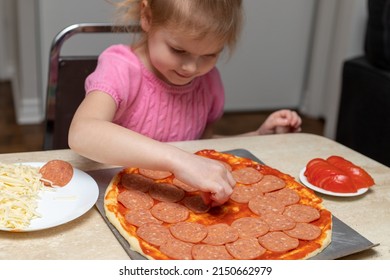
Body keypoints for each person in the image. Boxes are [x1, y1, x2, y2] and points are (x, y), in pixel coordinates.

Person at [68, 0, 302, 206]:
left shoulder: (208, 82)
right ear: (147, 17)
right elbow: (82, 132)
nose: (191, 68)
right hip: (114, 198)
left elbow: (201, 146)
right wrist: (178, 161)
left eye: (210, 55)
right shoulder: (121, 69)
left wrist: (259, 136)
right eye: (178, 50)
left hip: (178, 202)